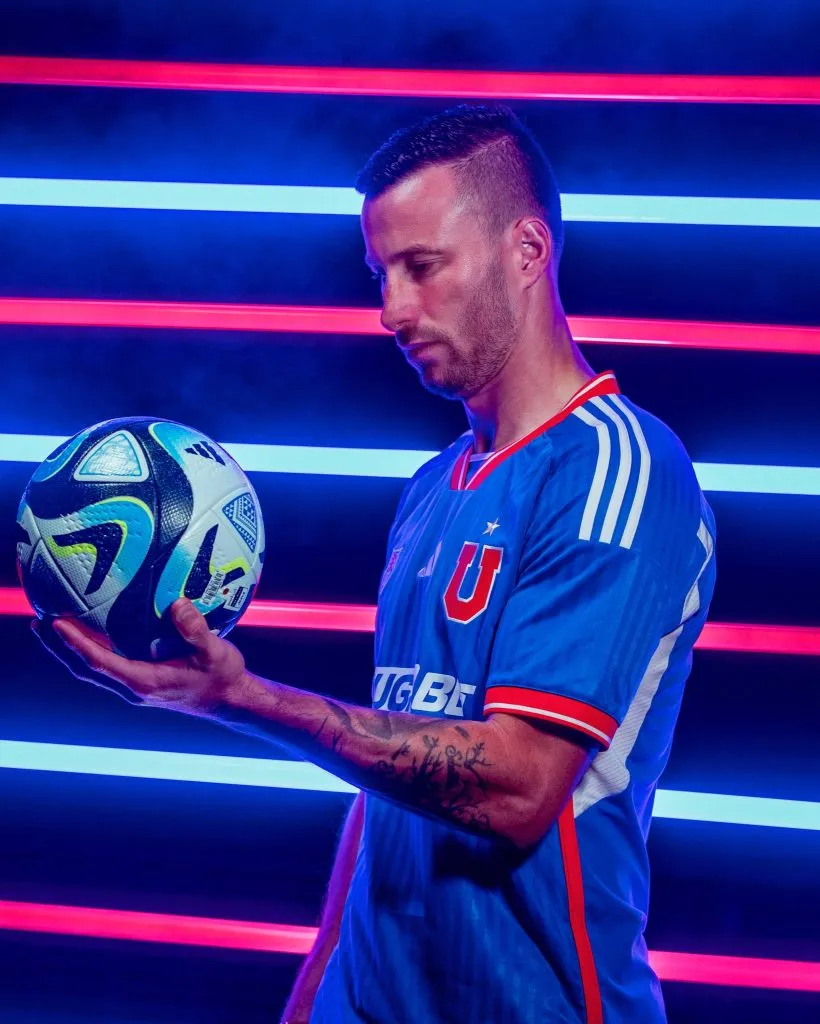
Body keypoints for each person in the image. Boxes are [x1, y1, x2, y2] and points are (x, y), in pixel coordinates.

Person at [39, 105, 716, 1024]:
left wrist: (245, 700)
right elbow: (395, 764)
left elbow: (517, 786)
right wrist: (315, 992)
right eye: (381, 274)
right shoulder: (432, 487)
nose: (392, 309)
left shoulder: (619, 470)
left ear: (527, 251)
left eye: (422, 267)